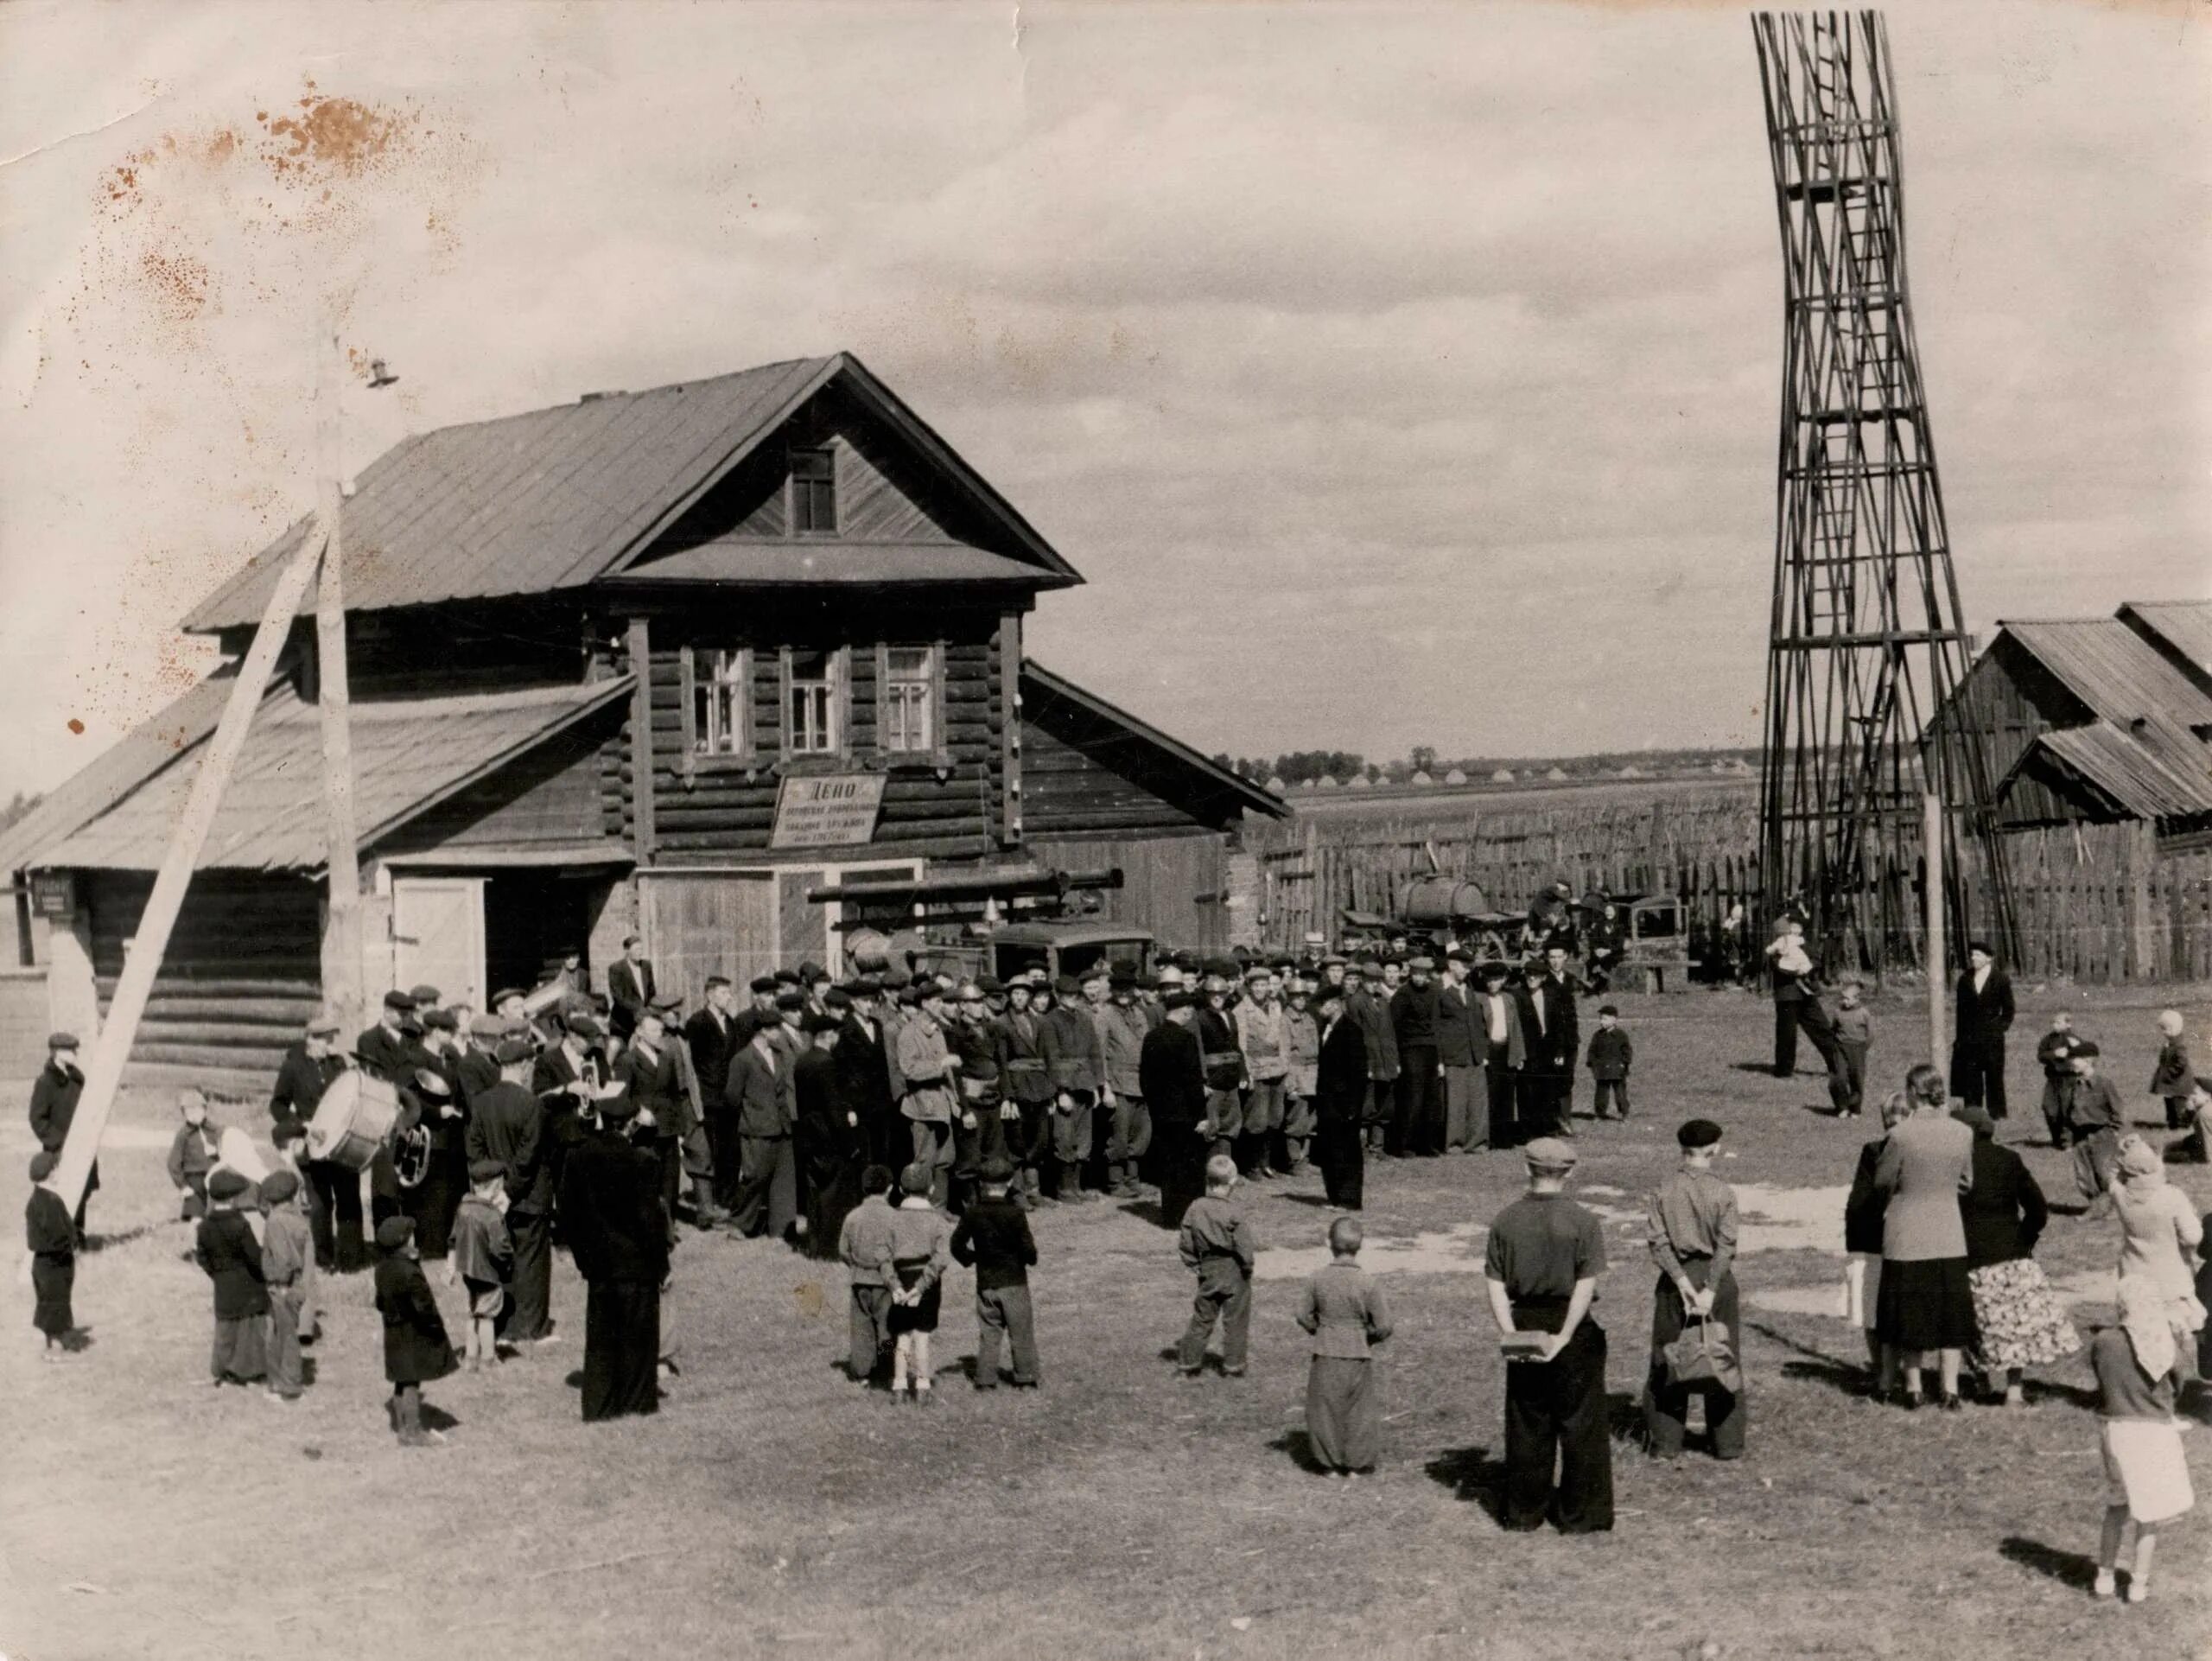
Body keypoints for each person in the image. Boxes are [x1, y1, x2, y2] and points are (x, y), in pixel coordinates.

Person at [1483, 1136, 1612, 1533]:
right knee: (1580, 1423)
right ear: (1569, 1173)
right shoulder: (1583, 1221)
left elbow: (1495, 1285)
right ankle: (1581, 1516)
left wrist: (1511, 1334)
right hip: (1570, 1326)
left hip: (1524, 1322)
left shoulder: (1506, 1220)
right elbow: (1584, 1288)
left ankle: (1524, 1512)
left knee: (1527, 1420)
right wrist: (1565, 1335)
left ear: (1527, 1169)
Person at [1955, 1105, 2075, 1406]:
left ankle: (1981, 1382)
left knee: (1973, 1322)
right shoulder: (2010, 1159)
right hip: (2011, 1253)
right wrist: (2025, 1240)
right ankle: (2014, 1390)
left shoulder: (1954, 1165)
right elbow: (2038, 1209)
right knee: (2014, 1324)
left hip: (1967, 1253)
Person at [561, 1090, 669, 1422]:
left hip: (600, 1265)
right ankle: (637, 1403)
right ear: (630, 1124)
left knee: (601, 1340)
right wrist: (662, 1265)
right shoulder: (642, 1161)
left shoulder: (578, 1157)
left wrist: (583, 1259)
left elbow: (568, 1213)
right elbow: (650, 1220)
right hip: (637, 1265)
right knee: (639, 1336)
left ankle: (599, 1405)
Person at [1874, 1062, 1974, 1410]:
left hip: (1907, 1236)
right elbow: (1966, 1182)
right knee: (1951, 1317)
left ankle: (1913, 1387)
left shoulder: (1900, 1136)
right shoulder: (1962, 1133)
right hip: (1948, 1233)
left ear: (1913, 1093)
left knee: (1910, 1314)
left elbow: (1883, 1181)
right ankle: (1950, 1389)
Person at [1643, 1118, 1743, 1459]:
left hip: (1675, 1281)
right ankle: (1727, 1443)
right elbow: (1726, 1245)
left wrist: (1683, 1283)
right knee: (1724, 1356)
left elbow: (1658, 1242)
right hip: (1716, 1278)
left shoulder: (1663, 1189)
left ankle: (1666, 1442)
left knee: (1667, 1357)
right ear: (1714, 1149)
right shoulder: (1723, 1192)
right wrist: (1710, 1289)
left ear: (1682, 1150)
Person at [2091, 1278, 2195, 1603]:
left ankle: (2104, 1577)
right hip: (2153, 1433)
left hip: (2116, 1429)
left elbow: (2100, 1376)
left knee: (2117, 1505)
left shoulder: (2104, 1340)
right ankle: (2138, 1585)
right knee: (2149, 1516)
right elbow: (2179, 1385)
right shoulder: (2163, 1343)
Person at [465, 1038, 556, 1346]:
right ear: (523, 1066)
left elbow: (474, 1149)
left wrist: (489, 1186)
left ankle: (503, 1328)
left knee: (500, 1260)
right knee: (532, 1261)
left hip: (492, 1196)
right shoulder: (532, 1104)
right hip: (528, 1196)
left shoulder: (481, 1102)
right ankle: (533, 1327)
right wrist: (510, 1190)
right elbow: (528, 1156)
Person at [1295, 1215, 1394, 1476]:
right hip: (1358, 1353)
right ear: (1360, 1246)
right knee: (1359, 1410)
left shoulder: (1316, 1279)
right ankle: (1356, 1464)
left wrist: (1319, 1329)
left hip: (1325, 1349)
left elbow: (1302, 1314)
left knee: (1324, 1409)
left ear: (1329, 1243)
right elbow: (1384, 1324)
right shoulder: (1368, 1283)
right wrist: (1366, 1336)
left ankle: (1328, 1464)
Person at [270, 1011, 364, 1272]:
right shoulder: (293, 1067)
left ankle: (352, 1259)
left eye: (332, 1038)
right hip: (312, 1145)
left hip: (342, 1144)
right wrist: (301, 1126)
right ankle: (324, 1259)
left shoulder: (338, 1065)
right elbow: (277, 1106)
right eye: (326, 1039)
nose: (331, 1044)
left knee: (349, 1198)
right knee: (321, 1204)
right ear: (311, 1039)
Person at [2109, 1134, 2206, 1378]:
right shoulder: (2172, 1197)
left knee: (2143, 1330)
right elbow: (2193, 1237)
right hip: (2169, 1275)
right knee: (2175, 1334)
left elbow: (2112, 1176)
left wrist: (2126, 1150)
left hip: (2134, 1270)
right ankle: (2174, 1381)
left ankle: (2146, 1377)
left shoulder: (2119, 1194)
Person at [950, 1155, 1040, 1389]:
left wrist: (972, 1259)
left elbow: (956, 1245)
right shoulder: (1015, 1213)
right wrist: (1030, 1259)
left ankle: (985, 1379)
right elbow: (1027, 1249)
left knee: (989, 1332)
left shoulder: (972, 1212)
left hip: (986, 1282)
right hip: (1014, 1282)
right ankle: (1026, 1377)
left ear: (981, 1184)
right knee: (1020, 1332)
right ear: (1010, 1183)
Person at [1843, 1090, 1909, 1392]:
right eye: (1892, 1121)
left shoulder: (1890, 1151)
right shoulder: (1875, 1152)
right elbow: (1862, 1201)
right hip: (1878, 1240)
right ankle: (1887, 1369)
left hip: (1893, 1239)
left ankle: (1896, 1371)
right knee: (1875, 1309)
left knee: (1887, 1310)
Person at [373, 1216, 456, 1446]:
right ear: (404, 1240)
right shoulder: (409, 1271)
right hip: (413, 1332)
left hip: (393, 1331)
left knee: (401, 1379)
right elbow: (424, 1306)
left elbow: (380, 1302)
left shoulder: (382, 1268)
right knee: (412, 1381)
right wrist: (435, 1327)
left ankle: (401, 1427)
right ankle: (414, 1431)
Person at [880, 1161, 955, 1405]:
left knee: (902, 1336)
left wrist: (895, 1286)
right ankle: (922, 1386)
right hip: (926, 1282)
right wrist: (921, 1286)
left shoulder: (890, 1219)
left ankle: (899, 1386)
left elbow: (882, 1255)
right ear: (932, 1189)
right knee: (922, 1337)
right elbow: (942, 1257)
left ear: (901, 1190)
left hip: (900, 1280)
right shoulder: (938, 1221)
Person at [1177, 1155, 1257, 1378]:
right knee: (1236, 1320)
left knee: (1202, 1318)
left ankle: (1187, 1365)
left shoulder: (1195, 1207)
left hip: (1208, 1268)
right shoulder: (1235, 1211)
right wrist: (1247, 1265)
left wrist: (1192, 1261)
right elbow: (1244, 1244)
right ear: (1233, 1182)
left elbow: (1186, 1237)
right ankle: (1233, 1367)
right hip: (1233, 1268)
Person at [726, 1009, 800, 1243]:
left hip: (782, 1126)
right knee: (754, 1178)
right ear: (762, 1031)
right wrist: (751, 1116)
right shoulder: (742, 1059)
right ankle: (740, 1224)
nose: (779, 1032)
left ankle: (781, 1229)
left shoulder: (778, 1055)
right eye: (775, 1028)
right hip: (757, 1129)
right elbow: (732, 1097)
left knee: (784, 1180)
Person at [1141, 989, 1211, 1229]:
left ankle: (1170, 1217)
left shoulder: (1151, 1037)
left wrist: (1155, 1106)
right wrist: (1201, 1115)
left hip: (1161, 1113)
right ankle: (1191, 1216)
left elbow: (1145, 1079)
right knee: (1191, 1166)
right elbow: (1192, 1082)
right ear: (1185, 1010)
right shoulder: (1186, 1039)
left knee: (1169, 1165)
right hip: (1186, 1114)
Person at [795, 1010, 862, 1258]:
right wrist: (850, 1144)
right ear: (829, 1036)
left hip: (807, 1137)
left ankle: (814, 1246)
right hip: (828, 1139)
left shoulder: (802, 1061)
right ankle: (831, 1247)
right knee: (833, 1194)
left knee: (813, 1194)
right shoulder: (827, 1064)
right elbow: (833, 1109)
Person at [195, 1168, 269, 1388]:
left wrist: (217, 1274)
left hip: (223, 1283)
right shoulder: (240, 1225)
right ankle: (249, 1372)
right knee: (249, 1327)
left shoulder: (204, 1226)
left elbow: (202, 1257)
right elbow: (254, 1256)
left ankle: (222, 1369)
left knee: (225, 1327)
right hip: (247, 1282)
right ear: (234, 1197)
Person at [448, 1157, 512, 1371]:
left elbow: (454, 1239)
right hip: (488, 1273)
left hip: (467, 1271)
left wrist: (451, 1266)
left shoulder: (463, 1208)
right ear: (495, 1186)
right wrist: (508, 1262)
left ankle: (470, 1357)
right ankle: (488, 1359)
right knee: (487, 1317)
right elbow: (500, 1248)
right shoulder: (493, 1215)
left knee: (472, 1314)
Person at [28, 1032, 92, 1242]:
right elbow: (37, 1119)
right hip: (59, 1150)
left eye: (75, 1050)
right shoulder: (45, 1082)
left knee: (83, 1188)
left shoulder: (78, 1078)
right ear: (57, 1053)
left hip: (83, 1145)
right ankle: (60, 1238)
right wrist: (59, 1142)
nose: (75, 1053)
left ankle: (78, 1233)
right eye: (70, 1050)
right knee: (61, 1191)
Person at [838, 1165, 899, 1385]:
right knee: (887, 1326)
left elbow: (843, 1250)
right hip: (886, 1282)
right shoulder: (895, 1217)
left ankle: (862, 1372)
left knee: (861, 1326)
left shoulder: (853, 1217)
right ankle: (887, 1369)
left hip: (859, 1279)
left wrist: (855, 1265)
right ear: (890, 1189)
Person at [1311, 983, 1369, 1211]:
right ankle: (1335, 1196)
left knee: (1347, 1151)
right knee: (1331, 1149)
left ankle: (1349, 1198)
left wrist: (1353, 1105)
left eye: (1322, 1005)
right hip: (1328, 1101)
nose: (1318, 1010)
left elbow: (1358, 1072)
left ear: (1335, 1004)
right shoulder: (1326, 1028)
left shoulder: (1350, 1030)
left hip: (1344, 1103)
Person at [260, 1168, 313, 1403]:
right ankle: (277, 1382)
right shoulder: (298, 1218)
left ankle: (289, 1388)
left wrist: (280, 1283)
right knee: (280, 1334)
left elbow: (283, 1259)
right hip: (297, 1285)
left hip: (282, 1286)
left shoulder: (275, 1222)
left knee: (285, 1337)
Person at [1101, 972, 1155, 1198]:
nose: (1123, 994)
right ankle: (1115, 1182)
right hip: (1118, 1083)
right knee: (1119, 1136)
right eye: (1119, 989)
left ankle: (1133, 1180)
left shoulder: (1139, 1013)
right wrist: (1105, 1086)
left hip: (1141, 1082)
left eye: (1128, 989)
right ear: (1112, 991)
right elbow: (1101, 1053)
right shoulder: (1105, 1015)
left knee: (1141, 1134)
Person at [1237, 964, 1294, 1175]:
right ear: (1250, 986)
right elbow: (1241, 1044)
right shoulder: (1242, 1010)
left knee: (1274, 1118)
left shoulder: (1276, 1005)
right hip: (1257, 1069)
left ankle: (1266, 1162)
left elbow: (1284, 1037)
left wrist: (1284, 1064)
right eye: (1256, 985)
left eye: (1264, 985)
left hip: (1277, 1069)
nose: (1261, 989)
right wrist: (1247, 1072)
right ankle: (1251, 1164)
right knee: (1256, 1120)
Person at [1514, 956, 1577, 1140]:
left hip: (1548, 1050)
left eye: (1536, 976)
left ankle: (1547, 1128)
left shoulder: (1551, 995)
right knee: (1527, 1091)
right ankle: (1528, 1131)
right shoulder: (1518, 996)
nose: (1532, 979)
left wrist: (1559, 1051)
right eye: (1529, 976)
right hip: (1528, 1050)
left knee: (1548, 1089)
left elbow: (1559, 1026)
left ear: (1543, 978)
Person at [1949, 942, 2015, 1119]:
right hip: (1969, 1037)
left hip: (1992, 1038)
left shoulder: (2000, 979)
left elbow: (2009, 1009)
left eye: (1978, 955)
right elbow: (1960, 1012)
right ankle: (1973, 1111)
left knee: (1994, 1074)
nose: (1973, 958)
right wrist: (1960, 1037)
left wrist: (1999, 1028)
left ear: (1988, 958)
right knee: (1972, 1076)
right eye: (1972, 955)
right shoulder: (1965, 979)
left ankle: (1997, 1113)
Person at [1389, 956, 1446, 1157]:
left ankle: (1426, 1144)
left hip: (1430, 1047)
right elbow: (1393, 1027)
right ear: (1410, 974)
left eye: (1423, 974)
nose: (1420, 978)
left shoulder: (1435, 992)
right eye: (1416, 974)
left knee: (1432, 1099)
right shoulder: (1402, 994)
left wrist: (1439, 1058)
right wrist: (1397, 1057)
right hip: (1410, 1048)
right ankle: (1404, 1145)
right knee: (1413, 1097)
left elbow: (1438, 1025)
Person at [22, 1151, 78, 1359]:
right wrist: (72, 1243)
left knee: (51, 1301)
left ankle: (53, 1341)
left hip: (45, 1263)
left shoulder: (38, 1199)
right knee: (55, 1302)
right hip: (54, 1263)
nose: (58, 1171)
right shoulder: (50, 1202)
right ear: (49, 1173)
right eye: (56, 1168)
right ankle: (54, 1349)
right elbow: (58, 1233)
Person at [2064, 1042, 2127, 1204]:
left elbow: (2117, 1108)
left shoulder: (2104, 1083)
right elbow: (2069, 1112)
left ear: (2088, 1060)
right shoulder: (2073, 1085)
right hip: (2080, 1136)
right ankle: (2095, 1205)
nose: (2071, 1063)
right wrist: (2068, 1138)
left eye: (2075, 1059)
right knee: (2084, 1173)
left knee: (2104, 1172)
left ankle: (2112, 1206)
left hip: (2102, 1134)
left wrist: (2113, 1129)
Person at [1435, 951, 1484, 1154]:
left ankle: (1477, 1141)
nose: (1467, 971)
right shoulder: (1438, 990)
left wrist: (1483, 1051)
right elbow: (1435, 1025)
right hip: (1453, 1053)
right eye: (1464, 967)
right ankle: (1454, 1142)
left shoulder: (1468, 989)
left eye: (1469, 967)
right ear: (1452, 965)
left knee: (1477, 1100)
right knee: (1455, 1101)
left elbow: (1477, 1022)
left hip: (1475, 1053)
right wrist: (1439, 1059)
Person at [1474, 961, 1525, 1149]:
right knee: (1492, 1094)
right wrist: (1482, 1053)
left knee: (1507, 1093)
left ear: (1504, 980)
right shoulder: (1479, 999)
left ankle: (1506, 1137)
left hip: (1507, 1049)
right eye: (1489, 980)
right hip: (1491, 1050)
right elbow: (1478, 1029)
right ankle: (1492, 1137)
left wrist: (1519, 1055)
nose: (1493, 984)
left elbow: (1516, 1028)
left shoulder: (1509, 999)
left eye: (1497, 980)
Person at [166, 1089, 222, 1220]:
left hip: (215, 1176)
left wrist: (218, 1151)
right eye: (189, 1112)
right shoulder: (183, 1135)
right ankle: (195, 1236)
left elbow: (229, 1152)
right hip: (194, 1180)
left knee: (218, 1213)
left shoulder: (215, 1130)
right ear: (183, 1114)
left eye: (197, 1110)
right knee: (196, 1216)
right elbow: (173, 1162)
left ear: (205, 1110)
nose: (194, 1115)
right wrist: (183, 1185)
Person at [2035, 1011, 2081, 1149]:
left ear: (2068, 1024)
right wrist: (2054, 1054)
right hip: (2053, 1079)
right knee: (2049, 1108)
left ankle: (2067, 1141)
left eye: (2058, 1022)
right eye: (2053, 1022)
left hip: (2068, 1079)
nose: (2054, 1025)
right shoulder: (2048, 1039)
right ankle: (2056, 1138)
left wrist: (2071, 1053)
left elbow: (2084, 1053)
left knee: (2066, 1110)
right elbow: (2041, 1056)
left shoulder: (2073, 1039)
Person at [1829, 980, 1872, 1118]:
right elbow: (1834, 1030)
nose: (1844, 1001)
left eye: (1847, 998)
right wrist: (1836, 1046)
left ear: (1857, 999)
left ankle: (1855, 1108)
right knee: (1839, 1078)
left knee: (1857, 1078)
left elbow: (1870, 1034)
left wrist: (1862, 1048)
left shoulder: (1864, 1013)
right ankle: (1842, 1107)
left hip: (1858, 1048)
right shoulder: (1838, 1012)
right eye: (1843, 997)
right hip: (1840, 1048)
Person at [1586, 1005, 1633, 1123]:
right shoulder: (1598, 1035)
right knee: (1601, 1093)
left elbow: (1627, 1051)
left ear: (1614, 1020)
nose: (1602, 1021)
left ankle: (1624, 1113)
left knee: (1620, 1093)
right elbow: (1592, 1050)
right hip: (1602, 1070)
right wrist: (1592, 1063)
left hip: (1617, 1070)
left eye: (1605, 1019)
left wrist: (1624, 1063)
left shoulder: (1621, 1035)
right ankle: (1600, 1113)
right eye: (1601, 1019)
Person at [607, 933, 655, 1044]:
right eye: (637, 949)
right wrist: (638, 1010)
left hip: (643, 1019)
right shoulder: (616, 968)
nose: (640, 952)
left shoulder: (646, 966)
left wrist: (651, 1010)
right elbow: (618, 997)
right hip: (623, 1023)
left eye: (641, 949)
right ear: (627, 950)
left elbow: (652, 991)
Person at [2151, 1009, 2192, 1132]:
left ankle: (2182, 1122)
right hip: (2170, 1080)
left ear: (2173, 1028)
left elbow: (2182, 1062)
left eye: (2164, 1029)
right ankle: (2172, 1122)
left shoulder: (2179, 1045)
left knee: (2178, 1102)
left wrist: (2172, 1072)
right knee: (2169, 1100)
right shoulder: (2170, 1043)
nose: (2163, 1032)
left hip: (2178, 1080)